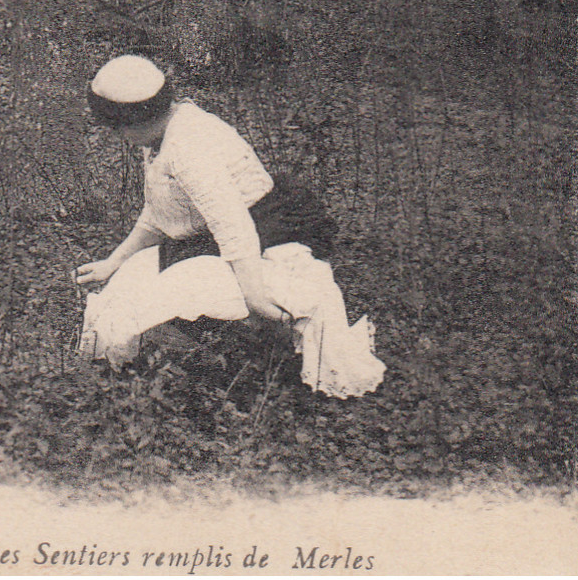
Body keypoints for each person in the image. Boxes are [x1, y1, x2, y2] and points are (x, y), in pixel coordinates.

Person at [74, 54, 385, 398]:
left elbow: (232, 225)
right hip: (222, 236)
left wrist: (255, 298)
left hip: (265, 236)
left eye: (117, 128)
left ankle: (253, 369)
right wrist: (112, 263)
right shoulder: (164, 132)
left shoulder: (188, 149)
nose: (118, 136)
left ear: (134, 121)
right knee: (129, 283)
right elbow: (159, 213)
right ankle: (217, 354)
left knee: (174, 294)